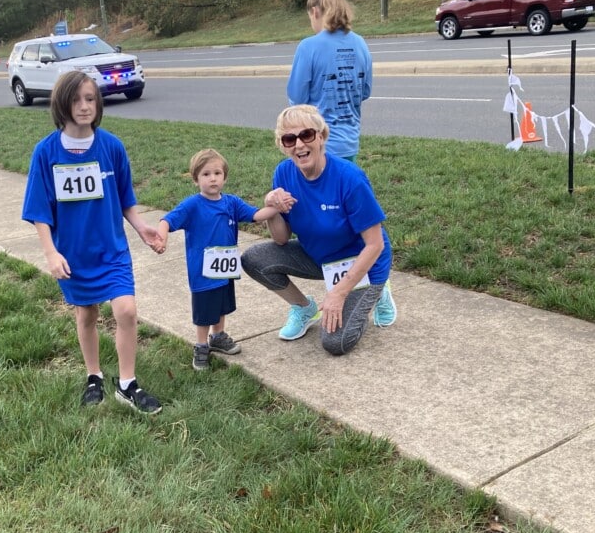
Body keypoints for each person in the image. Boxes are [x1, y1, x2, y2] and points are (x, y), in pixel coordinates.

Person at [22, 71, 163, 413]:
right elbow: (40, 210)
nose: (84, 107)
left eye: (90, 99)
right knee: (86, 314)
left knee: (126, 310)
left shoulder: (111, 146)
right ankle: (94, 376)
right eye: (75, 100)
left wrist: (141, 226)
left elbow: (124, 196)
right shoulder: (46, 152)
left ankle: (127, 383)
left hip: (111, 248)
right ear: (61, 104)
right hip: (74, 252)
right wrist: (51, 252)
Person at [241, 105, 392, 356]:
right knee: (255, 258)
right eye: (290, 139)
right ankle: (303, 308)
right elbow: (280, 238)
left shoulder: (349, 179)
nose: (299, 145)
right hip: (320, 258)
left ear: (321, 136)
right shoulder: (283, 173)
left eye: (307, 135)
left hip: (363, 262)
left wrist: (339, 294)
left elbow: (375, 244)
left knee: (335, 343)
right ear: (283, 145)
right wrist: (272, 207)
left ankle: (377, 291)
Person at [287, 0, 396, 327]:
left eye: (310, 16)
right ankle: (377, 286)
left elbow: (295, 96)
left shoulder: (309, 47)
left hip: (316, 146)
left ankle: (377, 286)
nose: (311, 23)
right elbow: (365, 90)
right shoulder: (361, 43)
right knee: (357, 217)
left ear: (316, 12)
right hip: (349, 140)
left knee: (349, 223)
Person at [156, 148, 278, 371]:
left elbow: (255, 215)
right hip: (202, 272)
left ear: (225, 177)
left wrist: (276, 208)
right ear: (195, 179)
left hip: (225, 270)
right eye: (206, 174)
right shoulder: (192, 205)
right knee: (204, 310)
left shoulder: (231, 203)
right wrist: (162, 237)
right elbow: (168, 220)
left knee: (221, 305)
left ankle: (218, 336)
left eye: (217, 173)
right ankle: (201, 345)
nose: (212, 178)